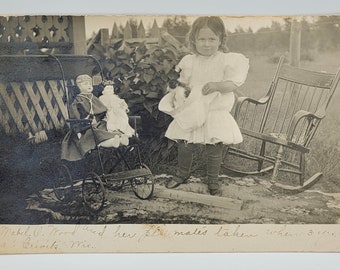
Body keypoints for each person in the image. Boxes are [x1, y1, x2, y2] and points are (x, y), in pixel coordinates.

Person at [159, 16, 249, 195]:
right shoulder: (190, 61)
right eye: (202, 39)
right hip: (193, 109)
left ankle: (213, 180)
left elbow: (234, 84)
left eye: (212, 39)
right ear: (194, 40)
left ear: (221, 39)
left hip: (215, 110)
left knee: (214, 146)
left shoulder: (227, 60)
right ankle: (182, 173)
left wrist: (217, 85)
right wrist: (178, 90)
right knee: (184, 142)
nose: (206, 44)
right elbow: (182, 82)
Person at [61, 74, 126, 161]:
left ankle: (119, 139)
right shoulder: (78, 100)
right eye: (85, 84)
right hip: (85, 126)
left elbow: (102, 110)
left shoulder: (94, 98)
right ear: (79, 86)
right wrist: (82, 125)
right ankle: (113, 142)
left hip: (98, 123)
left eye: (90, 84)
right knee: (95, 133)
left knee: (106, 127)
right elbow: (75, 115)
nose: (89, 86)